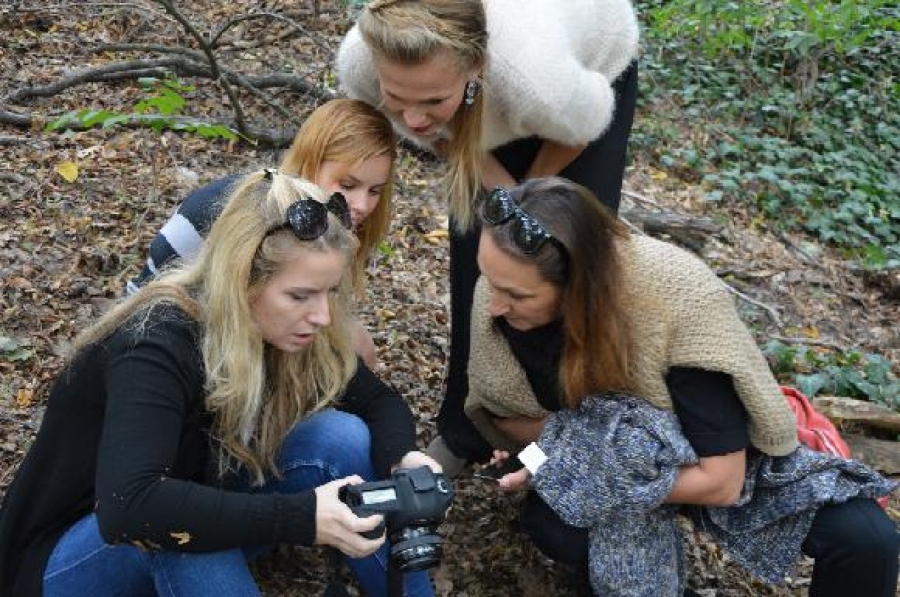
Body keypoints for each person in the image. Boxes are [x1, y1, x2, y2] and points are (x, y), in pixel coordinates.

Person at [0, 170, 441, 597]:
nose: (322, 315)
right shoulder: (155, 341)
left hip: (183, 510)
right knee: (179, 534)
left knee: (339, 437)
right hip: (65, 563)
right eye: (300, 295)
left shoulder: (288, 327)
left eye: (328, 292)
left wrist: (402, 458)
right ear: (243, 280)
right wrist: (301, 517)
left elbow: (377, 401)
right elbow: (129, 508)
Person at [463, 177, 898, 597]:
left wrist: (597, 476)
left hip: (706, 457)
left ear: (578, 288)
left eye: (516, 296)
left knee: (867, 542)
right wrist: (547, 462)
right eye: (489, 281)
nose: (495, 306)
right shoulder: (505, 292)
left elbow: (722, 483)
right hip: (599, 456)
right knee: (558, 530)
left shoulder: (678, 307)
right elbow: (512, 419)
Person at [336, 0, 641, 470]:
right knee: (481, 251)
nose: (412, 120)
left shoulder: (539, 82)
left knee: (563, 263)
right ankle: (468, 428)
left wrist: (526, 200)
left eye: (432, 101)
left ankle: (558, 437)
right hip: (484, 98)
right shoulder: (362, 62)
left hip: (585, 89)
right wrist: (495, 191)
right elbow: (428, 126)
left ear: (476, 67)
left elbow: (588, 120)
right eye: (398, 98)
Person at [127, 98, 398, 367]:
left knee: (358, 345)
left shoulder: (338, 227)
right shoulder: (238, 208)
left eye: (374, 191)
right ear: (310, 163)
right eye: (348, 185)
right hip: (179, 336)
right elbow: (148, 300)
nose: (362, 205)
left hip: (262, 340)